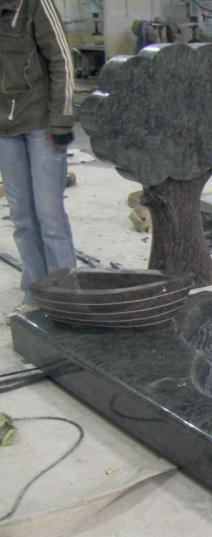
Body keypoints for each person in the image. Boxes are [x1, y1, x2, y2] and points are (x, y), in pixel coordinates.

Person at [0, 0, 76, 313]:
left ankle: (67, 295)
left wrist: (62, 122)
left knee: (49, 217)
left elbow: (63, 60)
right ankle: (34, 293)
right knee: (22, 218)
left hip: (41, 124)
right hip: (5, 130)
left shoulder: (34, 5)